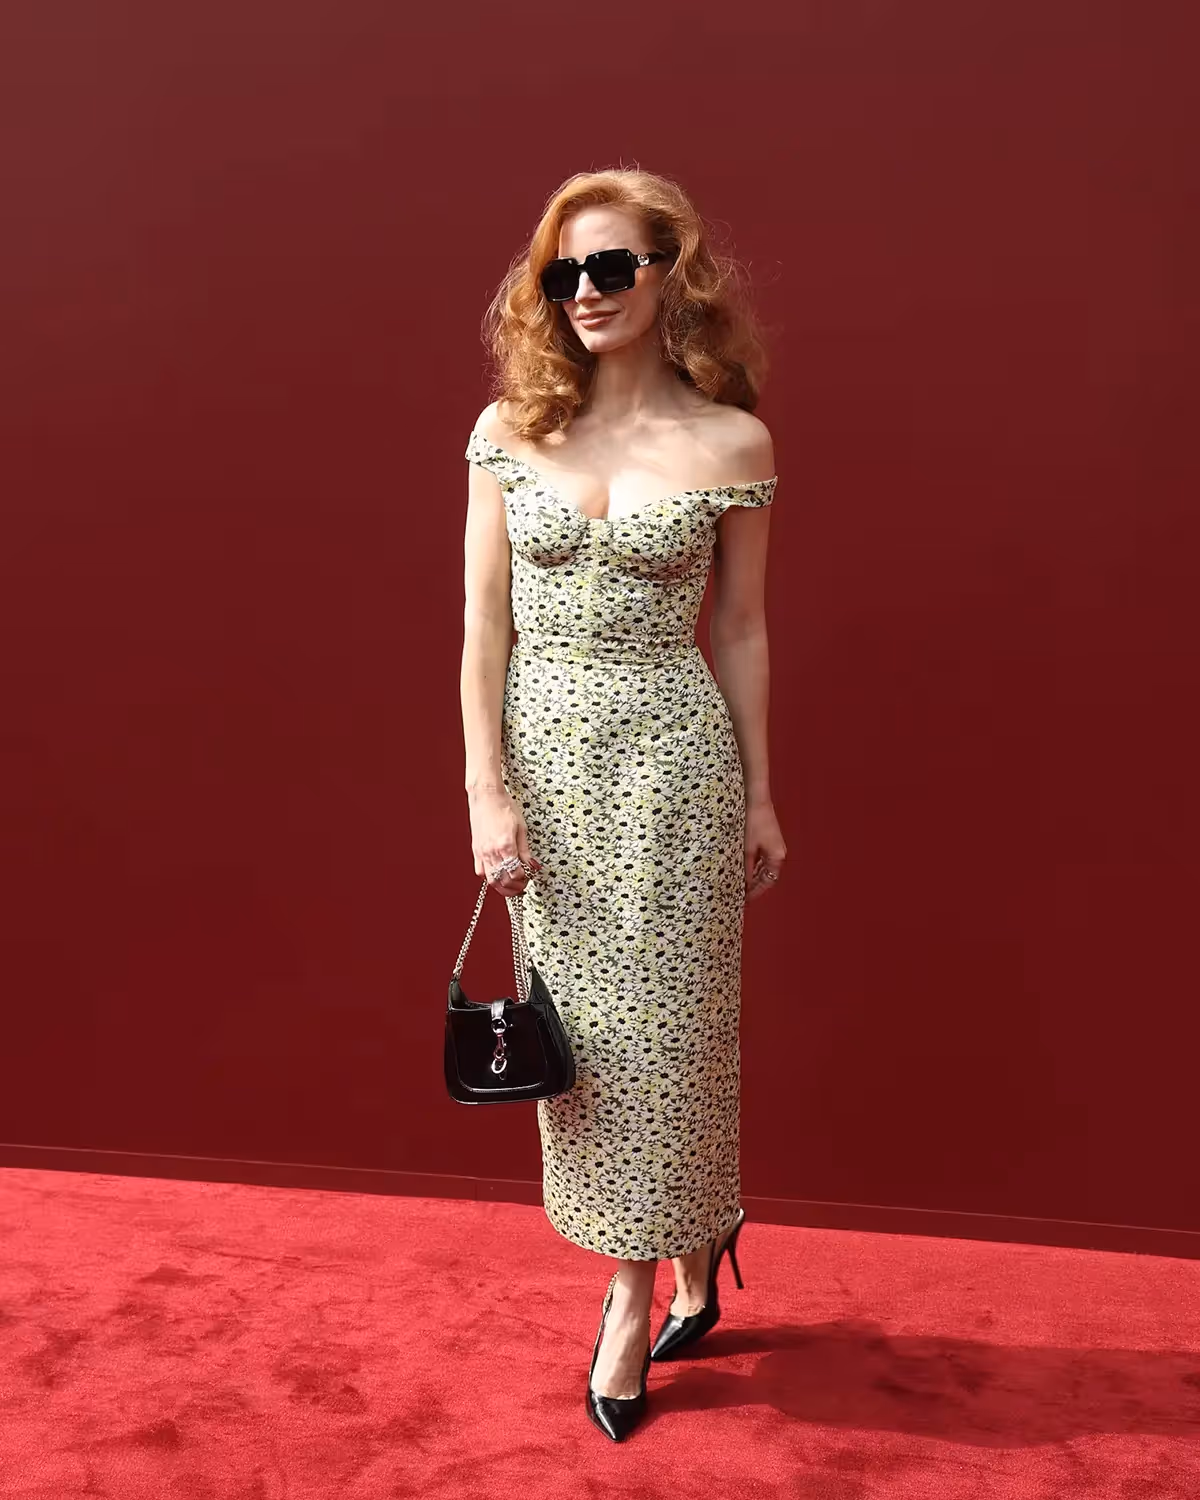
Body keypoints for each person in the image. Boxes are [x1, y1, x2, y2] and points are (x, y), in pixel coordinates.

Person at [459, 167, 786, 1442]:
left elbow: (742, 629)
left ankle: (631, 1297)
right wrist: (485, 788)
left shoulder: (733, 442)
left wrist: (760, 794)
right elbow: (484, 623)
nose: (585, 292)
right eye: (564, 274)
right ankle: (697, 1238)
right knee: (587, 1048)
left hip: (676, 766)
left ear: (670, 276)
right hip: (548, 768)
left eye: (610, 267)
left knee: (675, 1034)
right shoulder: (508, 429)